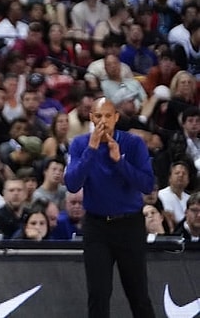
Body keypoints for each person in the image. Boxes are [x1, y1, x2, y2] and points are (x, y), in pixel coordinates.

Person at [65, 97, 156, 318]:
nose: (103, 121)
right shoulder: (80, 144)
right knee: (98, 294)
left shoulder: (133, 144)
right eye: (98, 116)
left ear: (116, 117)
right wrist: (92, 150)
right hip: (97, 227)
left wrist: (120, 161)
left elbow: (147, 185)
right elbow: (72, 183)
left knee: (138, 295)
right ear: (91, 118)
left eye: (108, 116)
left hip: (130, 225)